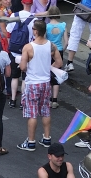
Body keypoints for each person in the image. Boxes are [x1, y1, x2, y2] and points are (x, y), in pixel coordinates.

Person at [17, 20, 63, 152]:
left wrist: (24, 66)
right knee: (45, 111)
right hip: (45, 83)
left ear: (35, 31)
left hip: (32, 83)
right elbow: (59, 63)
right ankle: (47, 138)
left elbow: (23, 67)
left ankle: (31, 142)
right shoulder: (51, 46)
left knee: (32, 114)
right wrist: (48, 68)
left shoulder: (28, 47)